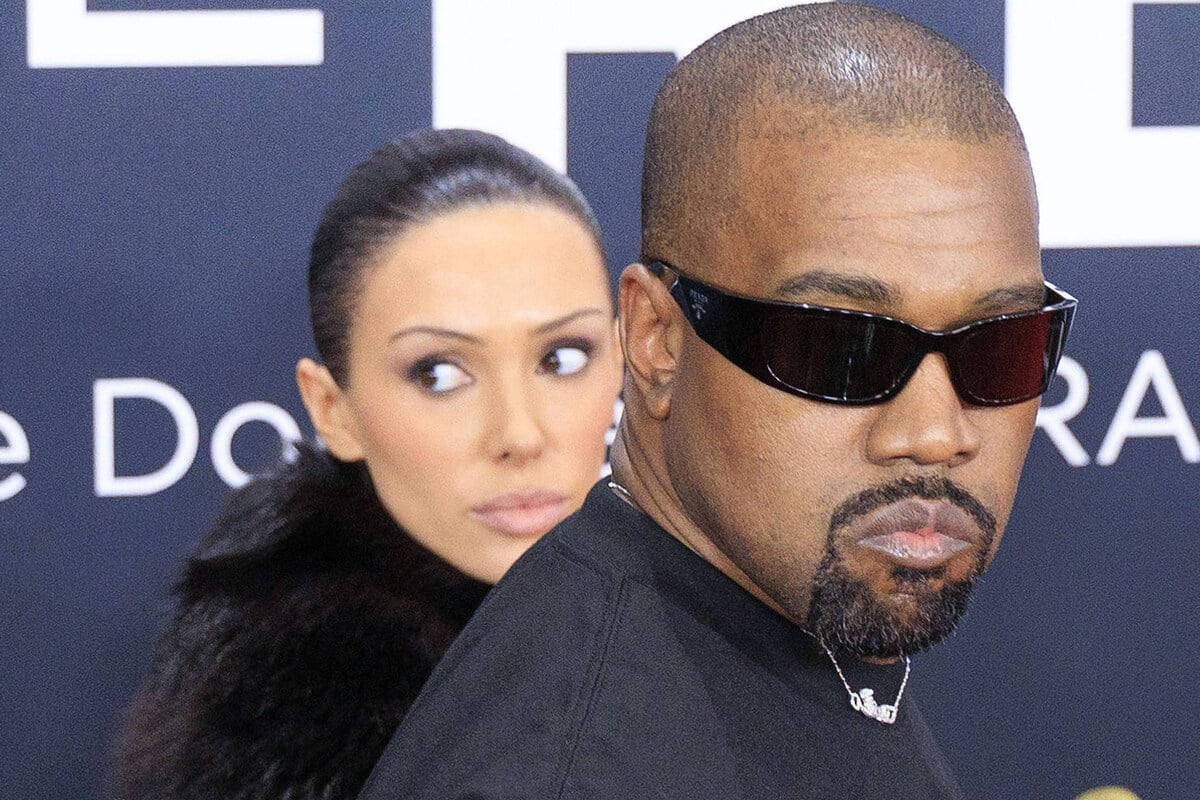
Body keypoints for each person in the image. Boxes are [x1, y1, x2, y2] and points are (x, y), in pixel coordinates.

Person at [356, 5, 1076, 800]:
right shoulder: (572, 771)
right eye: (839, 348)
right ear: (657, 340)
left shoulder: (784, 624)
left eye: (999, 345)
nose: (937, 433)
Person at [113, 128, 624, 800]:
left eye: (562, 358)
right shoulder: (281, 706)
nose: (520, 435)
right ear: (333, 411)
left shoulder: (686, 617)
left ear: (628, 352)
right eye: (439, 374)